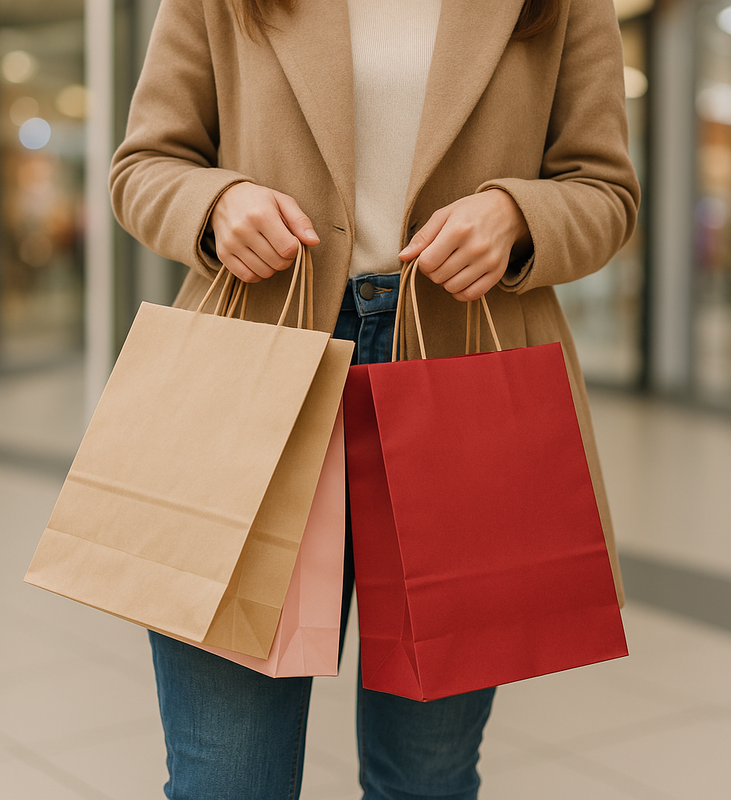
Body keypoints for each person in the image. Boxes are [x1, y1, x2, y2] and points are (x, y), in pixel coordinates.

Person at [110, 0, 640, 796]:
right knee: (227, 779)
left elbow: (605, 190)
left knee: (425, 780)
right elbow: (145, 165)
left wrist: (517, 215)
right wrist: (217, 206)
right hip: (256, 374)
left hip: (457, 377)